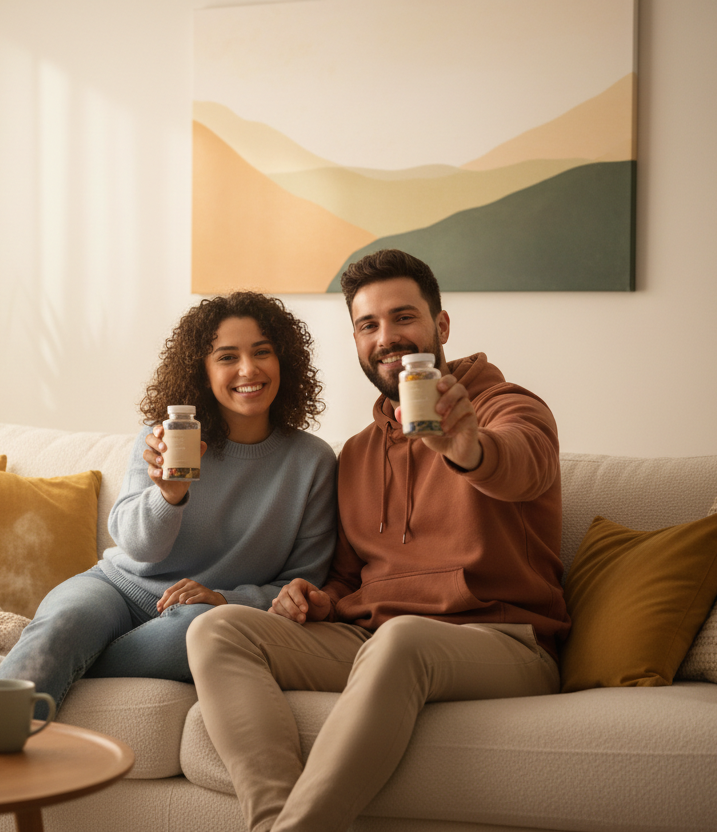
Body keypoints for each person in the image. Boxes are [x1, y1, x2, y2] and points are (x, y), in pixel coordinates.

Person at [186, 249, 571, 832]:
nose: (386, 338)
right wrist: (321, 601)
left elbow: (524, 463)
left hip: (506, 642)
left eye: (403, 318)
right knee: (217, 628)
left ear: (440, 326)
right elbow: (347, 577)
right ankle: (270, 823)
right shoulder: (359, 452)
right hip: (376, 638)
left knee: (402, 641)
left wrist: (467, 449)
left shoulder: (506, 406)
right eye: (368, 325)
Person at [0, 290, 338, 718]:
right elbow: (138, 549)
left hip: (200, 614)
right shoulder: (164, 439)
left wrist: (223, 599)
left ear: (284, 360)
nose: (248, 369)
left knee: (197, 633)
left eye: (262, 352)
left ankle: (35, 663)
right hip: (118, 589)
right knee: (67, 622)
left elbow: (302, 582)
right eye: (227, 357)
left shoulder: (312, 462)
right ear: (203, 372)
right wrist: (168, 495)